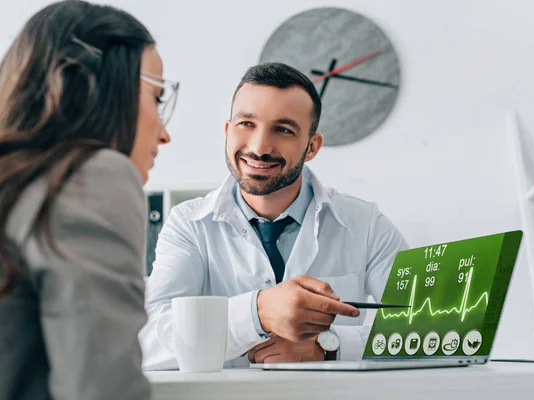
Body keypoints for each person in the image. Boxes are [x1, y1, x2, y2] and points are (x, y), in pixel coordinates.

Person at [141, 62, 408, 369]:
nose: (259, 147)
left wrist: (329, 347)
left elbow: (429, 325)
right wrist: (256, 312)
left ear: (312, 147)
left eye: (283, 129)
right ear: (228, 131)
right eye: (247, 124)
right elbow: (148, 342)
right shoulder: (188, 225)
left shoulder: (366, 224)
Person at [0, 1, 178, 398]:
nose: (164, 134)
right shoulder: (93, 175)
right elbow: (100, 389)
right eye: (157, 97)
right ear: (93, 87)